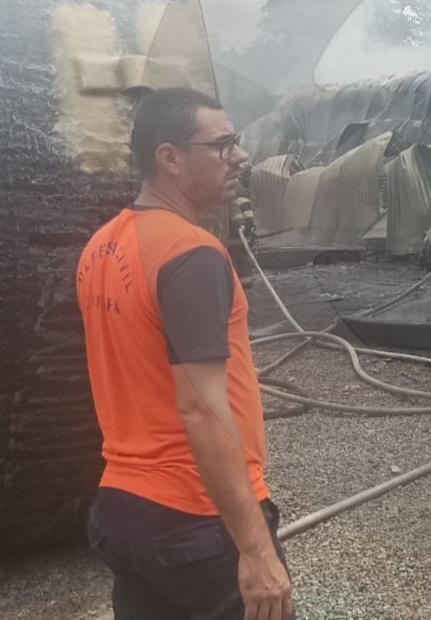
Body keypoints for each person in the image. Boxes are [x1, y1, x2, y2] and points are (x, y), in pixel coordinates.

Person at [76, 87, 294, 620]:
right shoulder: (192, 254)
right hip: (196, 519)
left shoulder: (101, 247)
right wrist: (254, 550)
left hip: (125, 509)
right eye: (222, 145)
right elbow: (201, 409)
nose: (240, 156)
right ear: (169, 157)